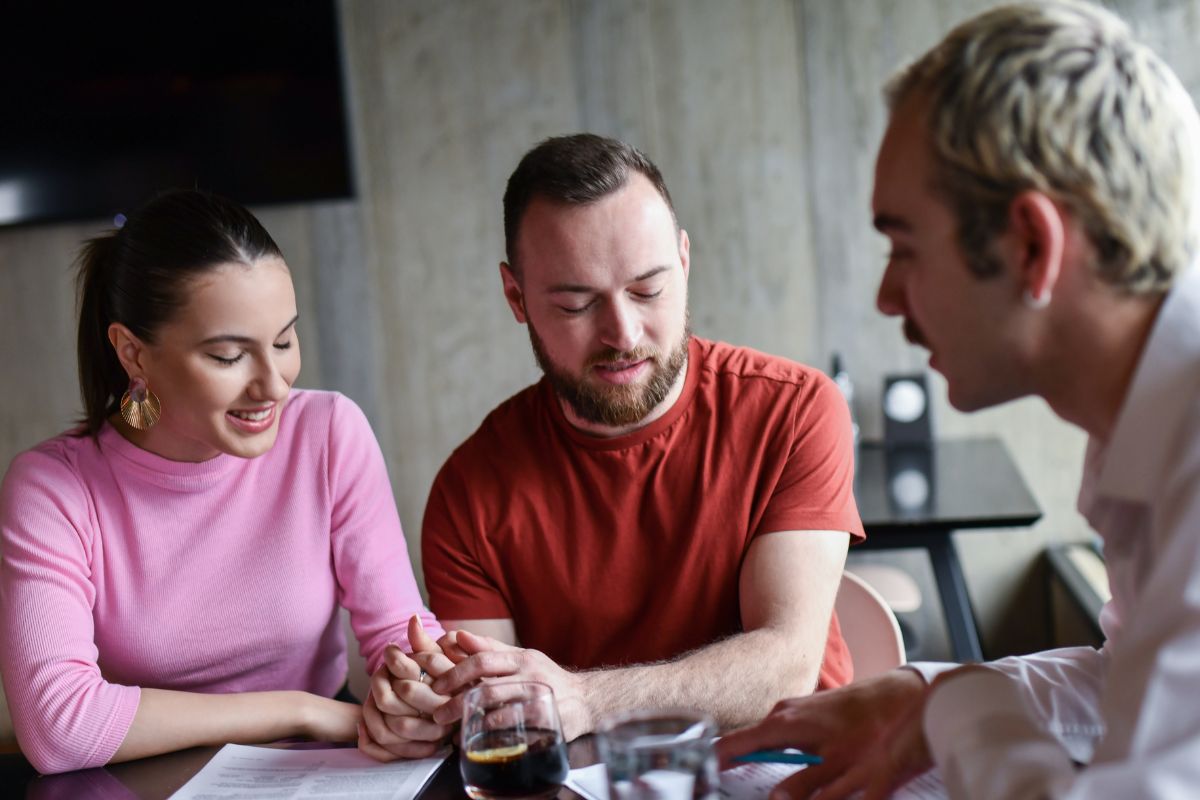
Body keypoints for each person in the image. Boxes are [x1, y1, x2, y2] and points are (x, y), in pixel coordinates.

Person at [716, 2, 1200, 798]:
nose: (884, 294)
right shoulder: (1140, 426)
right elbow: (1141, 692)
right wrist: (928, 696)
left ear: (1031, 246)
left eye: (903, 245)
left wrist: (962, 709)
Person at [367, 133, 863, 754]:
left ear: (683, 263)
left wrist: (584, 699)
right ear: (516, 298)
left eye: (648, 291)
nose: (622, 333)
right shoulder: (471, 490)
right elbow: (497, 718)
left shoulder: (793, 410)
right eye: (576, 304)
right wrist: (427, 711)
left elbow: (786, 664)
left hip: (781, 770)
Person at [0, 190, 443, 774]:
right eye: (230, 356)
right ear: (134, 353)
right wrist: (300, 712)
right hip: (140, 777)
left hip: (318, 767)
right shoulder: (54, 490)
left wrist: (421, 684)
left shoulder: (328, 432)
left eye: (284, 342)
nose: (274, 385)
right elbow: (59, 727)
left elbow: (398, 632)